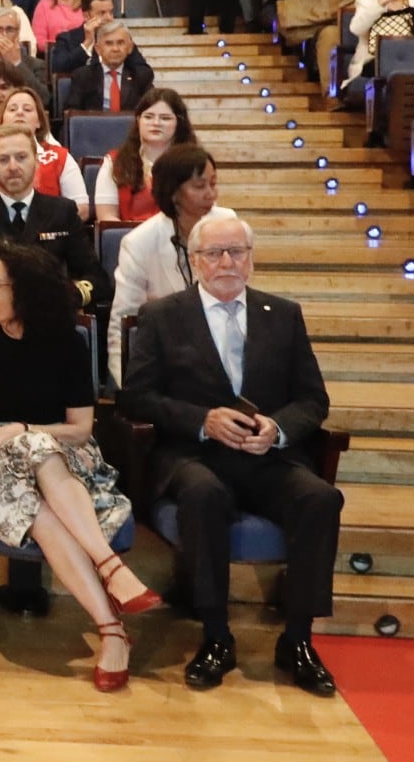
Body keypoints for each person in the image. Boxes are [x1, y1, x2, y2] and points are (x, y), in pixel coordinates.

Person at [119, 216, 342, 697]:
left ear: (251, 258)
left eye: (236, 252)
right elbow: (136, 398)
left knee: (321, 498)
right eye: (215, 253)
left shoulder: (282, 314)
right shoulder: (162, 316)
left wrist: (278, 429)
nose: (226, 262)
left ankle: (298, 639)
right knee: (203, 494)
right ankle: (216, 635)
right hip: (193, 454)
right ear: (195, 261)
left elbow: (313, 400)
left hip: (267, 456)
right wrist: (203, 420)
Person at [0, 243, 150, 692]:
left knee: (39, 494)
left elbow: (81, 429)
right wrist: (18, 436)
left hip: (67, 464)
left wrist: (23, 429)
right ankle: (111, 581)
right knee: (33, 467)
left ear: (25, 291)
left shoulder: (67, 341)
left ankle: (112, 632)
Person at [107, 143, 233, 384]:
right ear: (173, 192)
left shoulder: (228, 225)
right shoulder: (139, 243)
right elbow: (124, 323)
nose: (211, 194)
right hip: (169, 361)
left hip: (223, 352)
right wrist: (130, 387)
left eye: (213, 184)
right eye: (199, 186)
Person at [0, 124, 107, 312]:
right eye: (3, 159)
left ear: (36, 162)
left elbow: (95, 277)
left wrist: (61, 297)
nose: (13, 167)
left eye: (21, 157)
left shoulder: (62, 211)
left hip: (49, 316)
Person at [0, 87, 87, 208]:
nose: (20, 113)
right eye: (12, 109)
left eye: (27, 109)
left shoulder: (60, 157)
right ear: (1, 120)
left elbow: (80, 208)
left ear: (39, 121)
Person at [95, 88, 194, 224]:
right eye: (148, 117)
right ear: (138, 120)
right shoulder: (114, 162)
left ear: (179, 123)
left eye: (165, 118)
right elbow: (107, 217)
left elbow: (202, 213)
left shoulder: (194, 163)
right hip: (129, 239)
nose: (156, 123)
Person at [341, 0, 414, 99]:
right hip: (374, 62)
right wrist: (381, 3)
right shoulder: (367, 2)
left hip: (413, 61)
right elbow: (356, 29)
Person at [65, 21, 154, 113]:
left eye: (120, 43)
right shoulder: (83, 76)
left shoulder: (141, 76)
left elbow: (150, 110)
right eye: (109, 43)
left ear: (130, 47)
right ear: (98, 49)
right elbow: (73, 115)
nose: (115, 49)